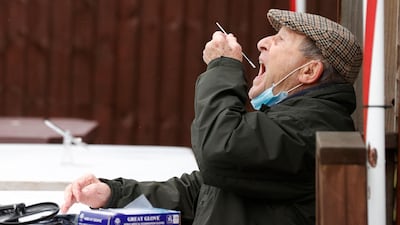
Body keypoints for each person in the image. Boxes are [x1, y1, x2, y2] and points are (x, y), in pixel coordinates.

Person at [60, 9, 362, 225]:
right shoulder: (293, 120)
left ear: (309, 72)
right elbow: (203, 192)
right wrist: (114, 194)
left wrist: (222, 67)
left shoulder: (311, 128)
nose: (262, 43)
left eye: (280, 40)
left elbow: (220, 149)